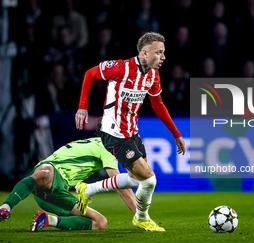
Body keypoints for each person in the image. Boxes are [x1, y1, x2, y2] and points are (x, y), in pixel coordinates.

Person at [75, 32, 186, 232]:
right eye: (159, 52)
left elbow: (158, 104)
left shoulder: (153, 74)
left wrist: (176, 134)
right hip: (113, 132)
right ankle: (141, 218)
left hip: (132, 133)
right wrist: (83, 106)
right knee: (149, 178)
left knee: (136, 179)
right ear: (144, 52)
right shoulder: (120, 68)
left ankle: (88, 189)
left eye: (163, 53)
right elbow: (90, 74)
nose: (163, 57)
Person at [0, 137, 139, 231]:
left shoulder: (94, 142)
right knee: (44, 173)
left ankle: (48, 220)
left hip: (56, 195)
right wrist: (141, 216)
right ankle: (5, 207)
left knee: (100, 223)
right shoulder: (107, 149)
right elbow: (120, 186)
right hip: (52, 171)